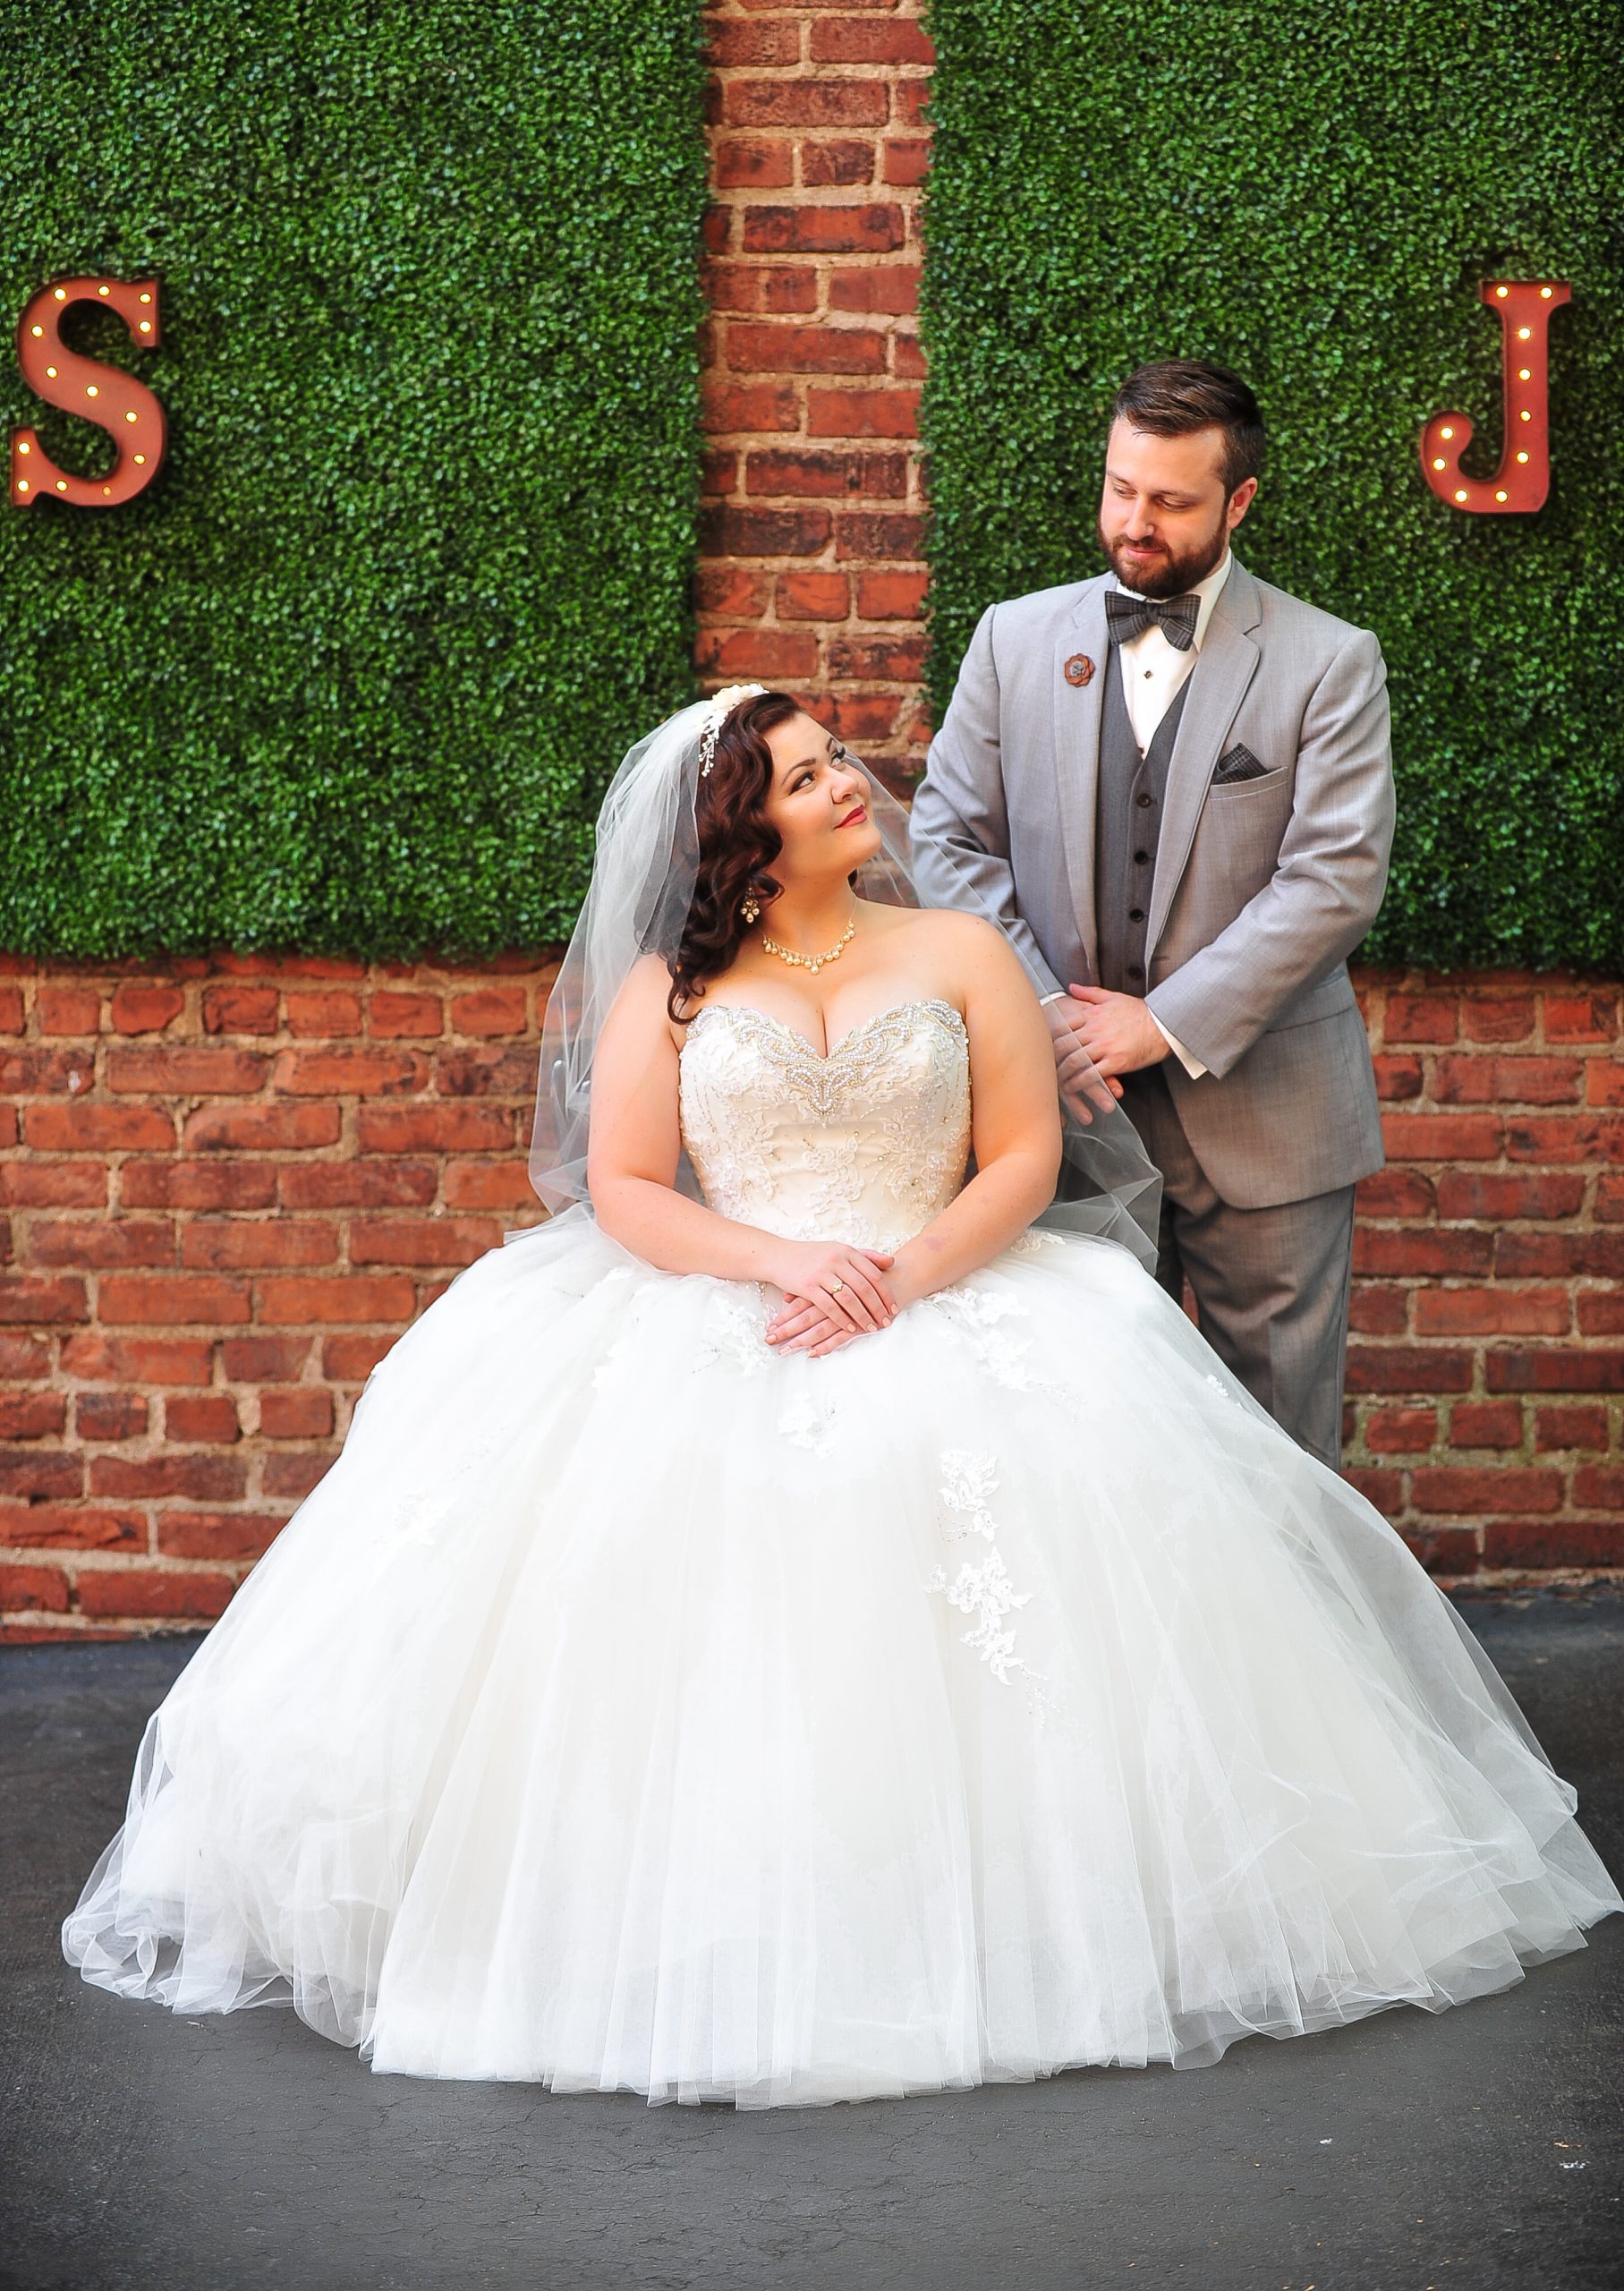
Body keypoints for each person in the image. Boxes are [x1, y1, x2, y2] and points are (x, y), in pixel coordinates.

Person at [64, 686, 1620, 2110]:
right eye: (808, 779)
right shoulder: (670, 990)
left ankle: (1027, 1920)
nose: (848, 785)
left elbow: (1025, 1156)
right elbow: (624, 1187)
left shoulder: (956, 955)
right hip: (740, 1296)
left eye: (837, 762)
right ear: (744, 831)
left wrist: (904, 1273)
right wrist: (782, 1263)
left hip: (954, 1285)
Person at [911, 359, 1391, 1469]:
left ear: (1240, 500)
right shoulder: (1013, 638)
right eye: (1121, 488)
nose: (1135, 522)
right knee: (1078, 1449)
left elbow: (1334, 877)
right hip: (1062, 1118)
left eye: (1171, 500)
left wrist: (1161, 1023)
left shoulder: (1330, 662)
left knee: (1279, 1453)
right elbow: (948, 840)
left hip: (1269, 1122)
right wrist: (1044, 1014)